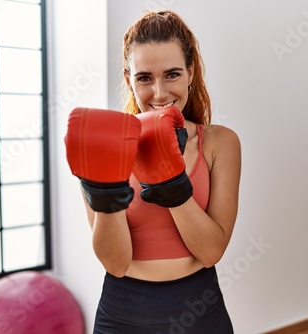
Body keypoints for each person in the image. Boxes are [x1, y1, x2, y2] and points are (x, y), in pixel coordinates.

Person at [65, 10, 241, 334]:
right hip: (123, 312)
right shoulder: (105, 144)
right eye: (144, 77)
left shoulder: (220, 143)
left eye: (172, 74)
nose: (159, 93)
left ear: (191, 72)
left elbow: (211, 252)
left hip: (200, 310)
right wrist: (106, 191)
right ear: (128, 79)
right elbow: (115, 263)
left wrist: (170, 183)